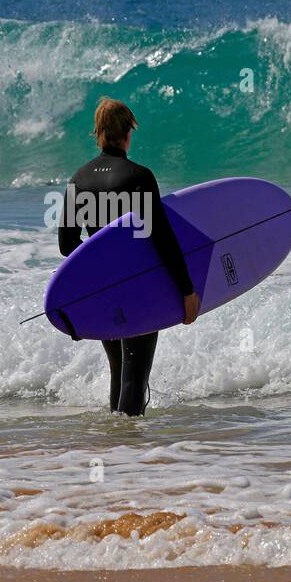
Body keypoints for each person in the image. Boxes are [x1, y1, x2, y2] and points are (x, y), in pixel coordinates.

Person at [58, 98, 200, 416]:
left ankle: (116, 447)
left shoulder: (78, 180)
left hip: (103, 290)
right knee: (135, 379)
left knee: (120, 372)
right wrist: (187, 290)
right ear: (128, 133)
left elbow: (68, 245)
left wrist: (100, 267)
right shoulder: (139, 176)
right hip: (139, 287)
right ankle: (128, 452)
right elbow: (162, 239)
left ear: (99, 133)